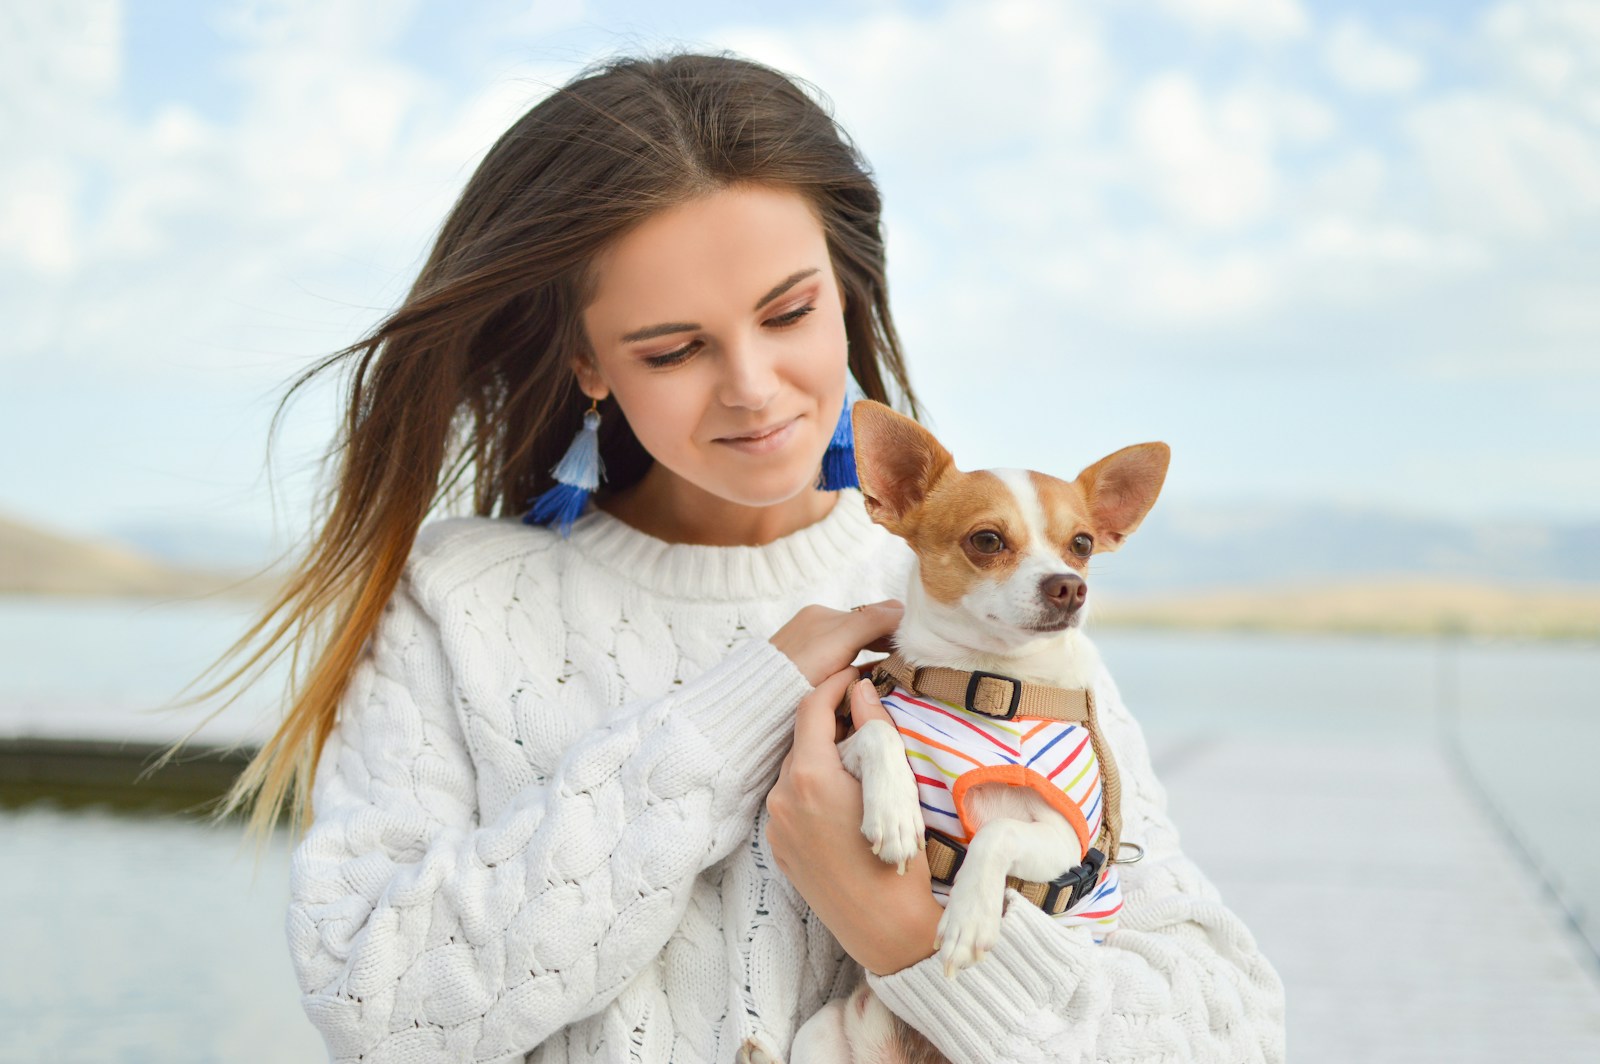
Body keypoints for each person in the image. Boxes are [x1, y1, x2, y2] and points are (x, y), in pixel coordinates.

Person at [220, 53, 1284, 1063]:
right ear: (586, 360)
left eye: (789, 311)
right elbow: (378, 1009)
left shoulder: (971, 601)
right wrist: (734, 715)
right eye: (674, 348)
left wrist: (912, 939)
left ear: (844, 287)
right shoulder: (461, 603)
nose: (753, 386)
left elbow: (1227, 1026)